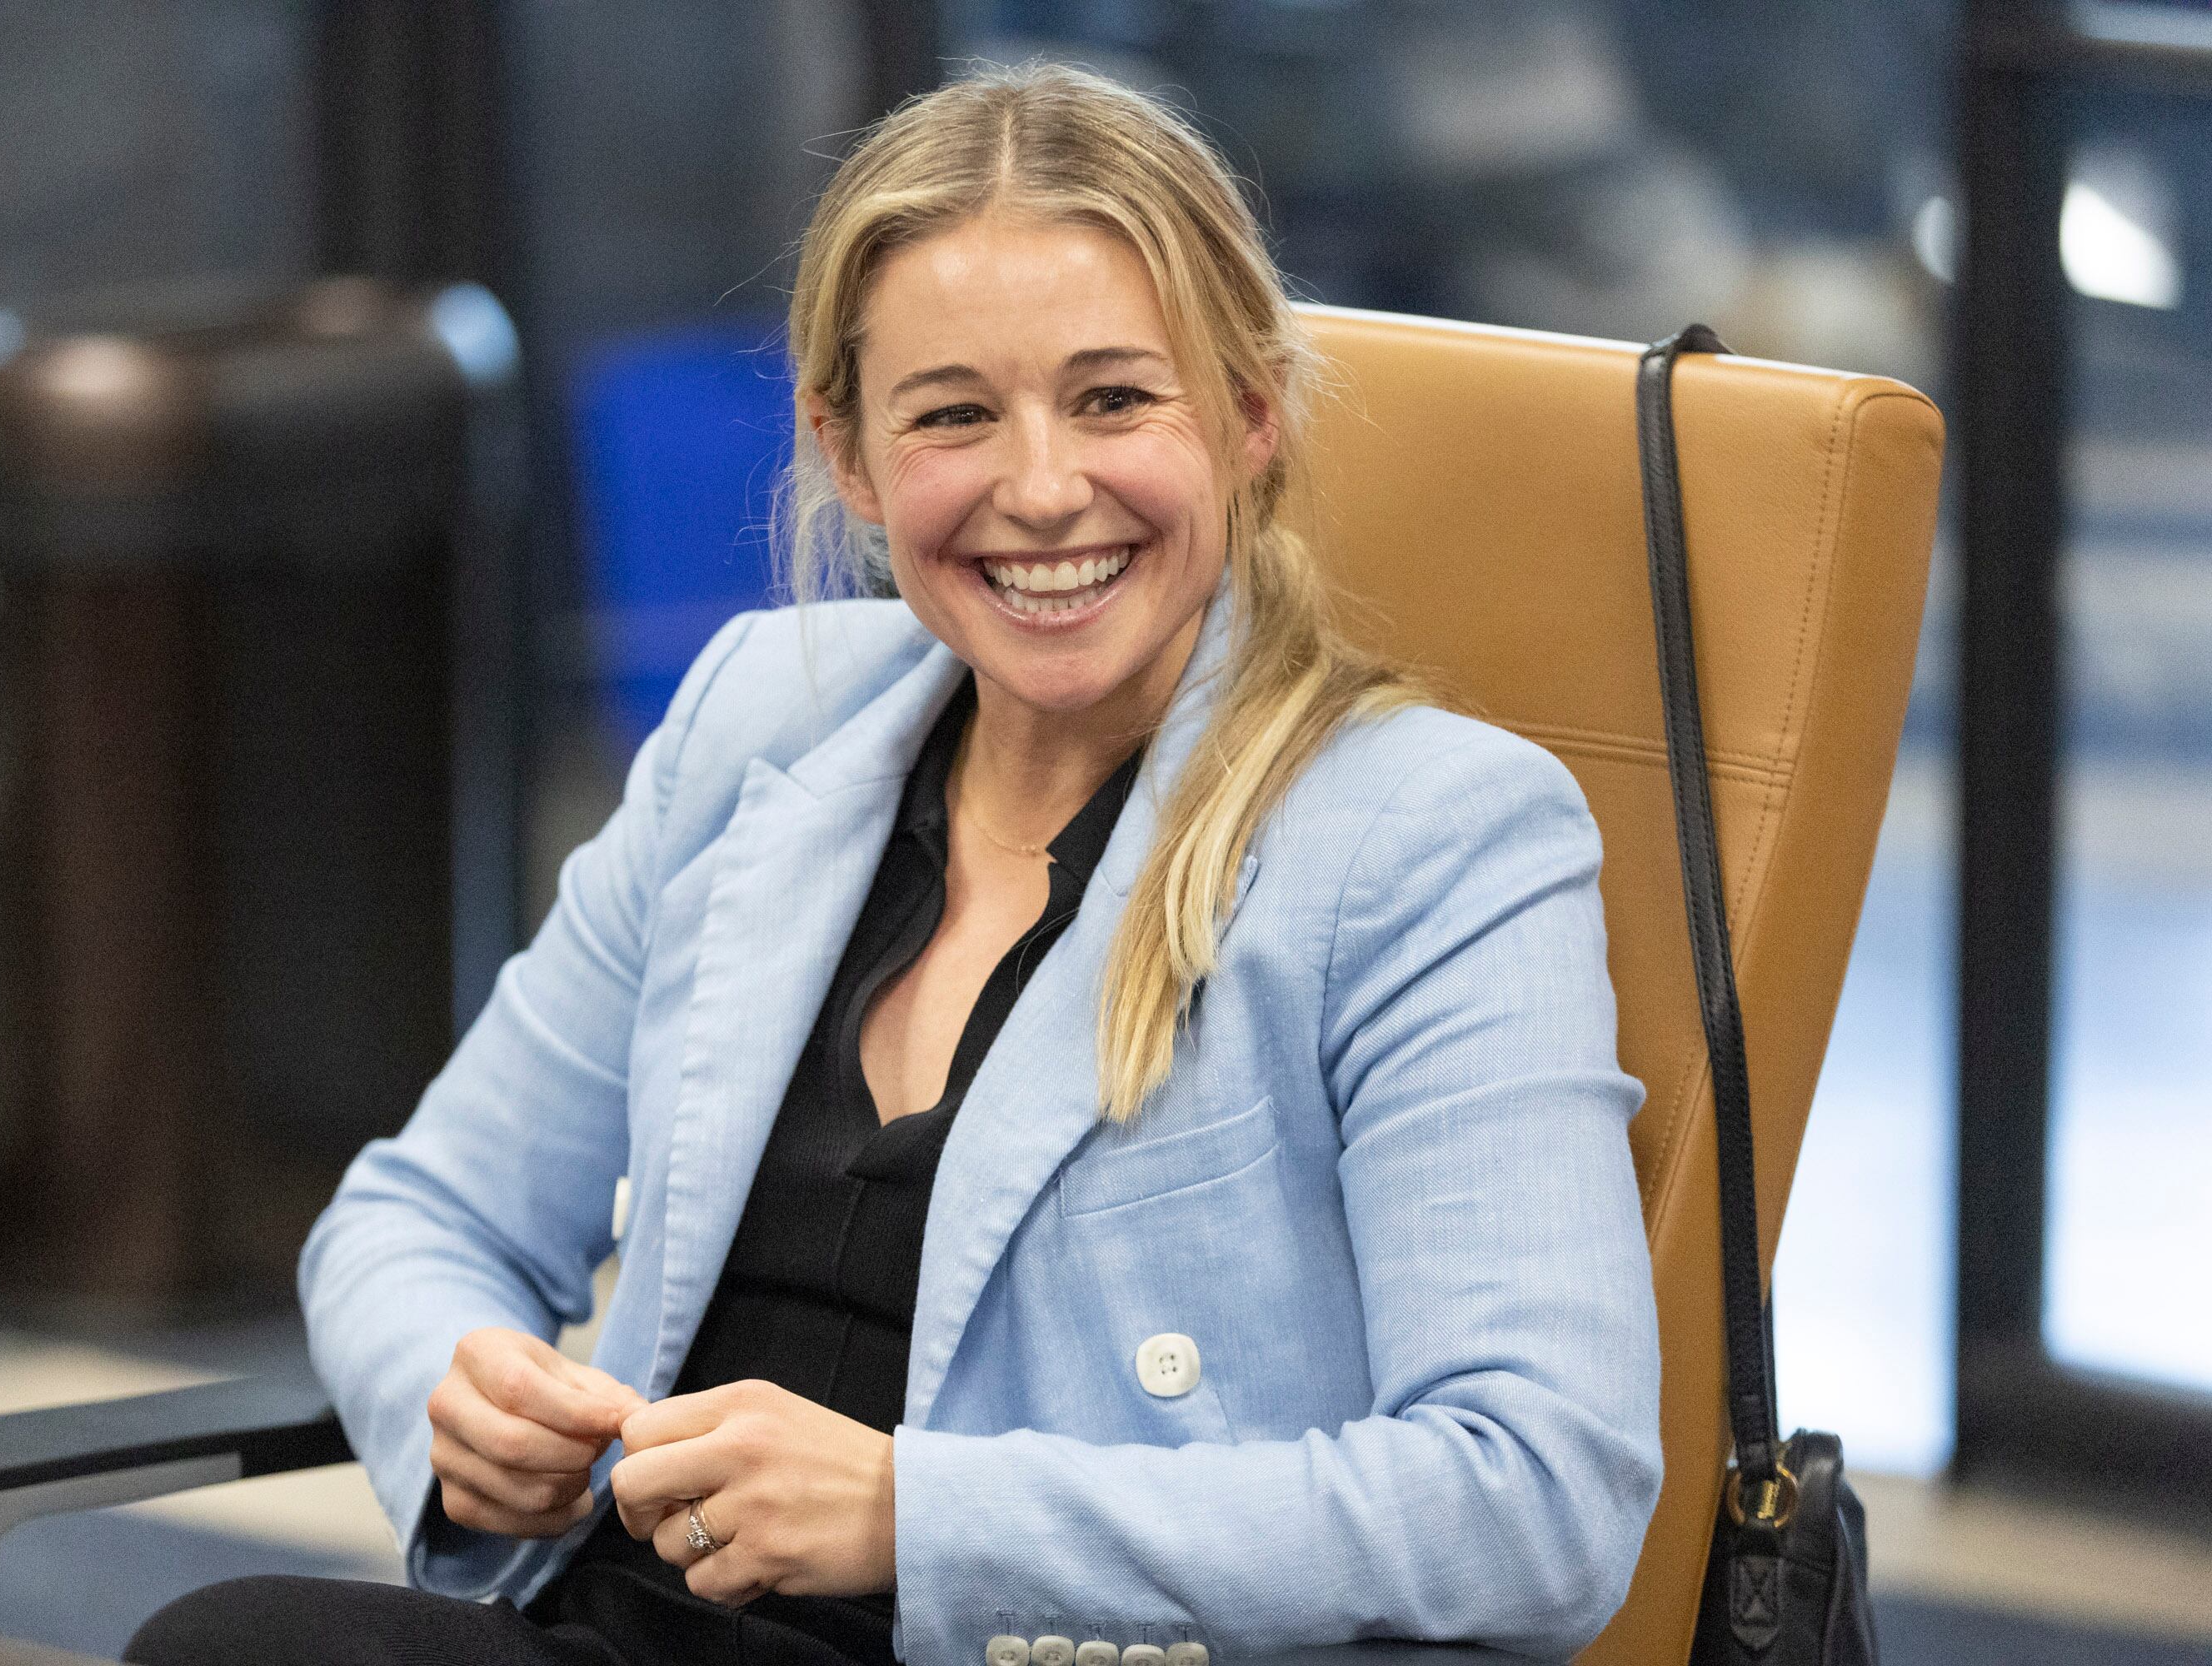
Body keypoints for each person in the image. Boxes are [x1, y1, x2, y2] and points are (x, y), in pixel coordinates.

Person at [127, 62, 1660, 1666]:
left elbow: (1536, 1498)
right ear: (848, 457)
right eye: (952, 416)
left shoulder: (1432, 833)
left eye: (1115, 398)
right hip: (633, 1626)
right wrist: (465, 1391)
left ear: (1252, 415)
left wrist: (916, 1514)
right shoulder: (757, 725)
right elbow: (419, 1214)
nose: (1044, 485)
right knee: (230, 1644)